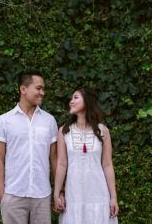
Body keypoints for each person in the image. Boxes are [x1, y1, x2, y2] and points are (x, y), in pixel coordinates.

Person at [0, 69, 59, 224]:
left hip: (42, 195)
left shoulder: (49, 121)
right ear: (23, 89)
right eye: (38, 88)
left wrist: (58, 191)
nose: (42, 92)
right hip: (13, 194)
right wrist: (1, 193)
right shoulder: (4, 121)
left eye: (43, 89)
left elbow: (54, 158)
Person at [53, 86, 119, 223]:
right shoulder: (64, 131)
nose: (71, 101)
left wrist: (113, 197)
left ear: (87, 101)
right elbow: (61, 163)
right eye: (71, 98)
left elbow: (107, 165)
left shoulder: (103, 131)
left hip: (99, 195)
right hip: (74, 195)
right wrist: (57, 193)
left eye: (75, 98)